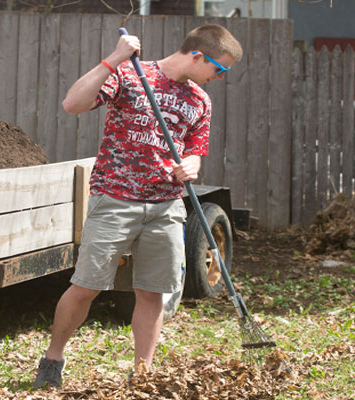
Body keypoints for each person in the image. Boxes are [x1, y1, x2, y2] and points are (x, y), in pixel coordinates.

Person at [33, 24, 242, 388]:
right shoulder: (131, 75)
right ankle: (53, 358)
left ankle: (141, 372)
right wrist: (113, 59)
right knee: (86, 287)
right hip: (115, 198)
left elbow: (194, 152)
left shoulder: (199, 101)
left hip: (166, 206)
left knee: (153, 292)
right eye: (218, 69)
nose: (217, 77)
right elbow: (73, 104)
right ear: (197, 56)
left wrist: (191, 166)